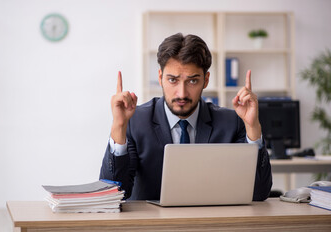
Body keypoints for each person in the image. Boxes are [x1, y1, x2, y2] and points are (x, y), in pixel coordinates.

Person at [100, 33, 272, 201]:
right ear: (160, 78)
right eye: (173, 80)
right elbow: (113, 195)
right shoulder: (135, 122)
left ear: (206, 80)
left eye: (192, 81)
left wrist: (253, 128)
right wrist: (119, 126)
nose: (181, 94)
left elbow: (258, 193)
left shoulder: (231, 122)